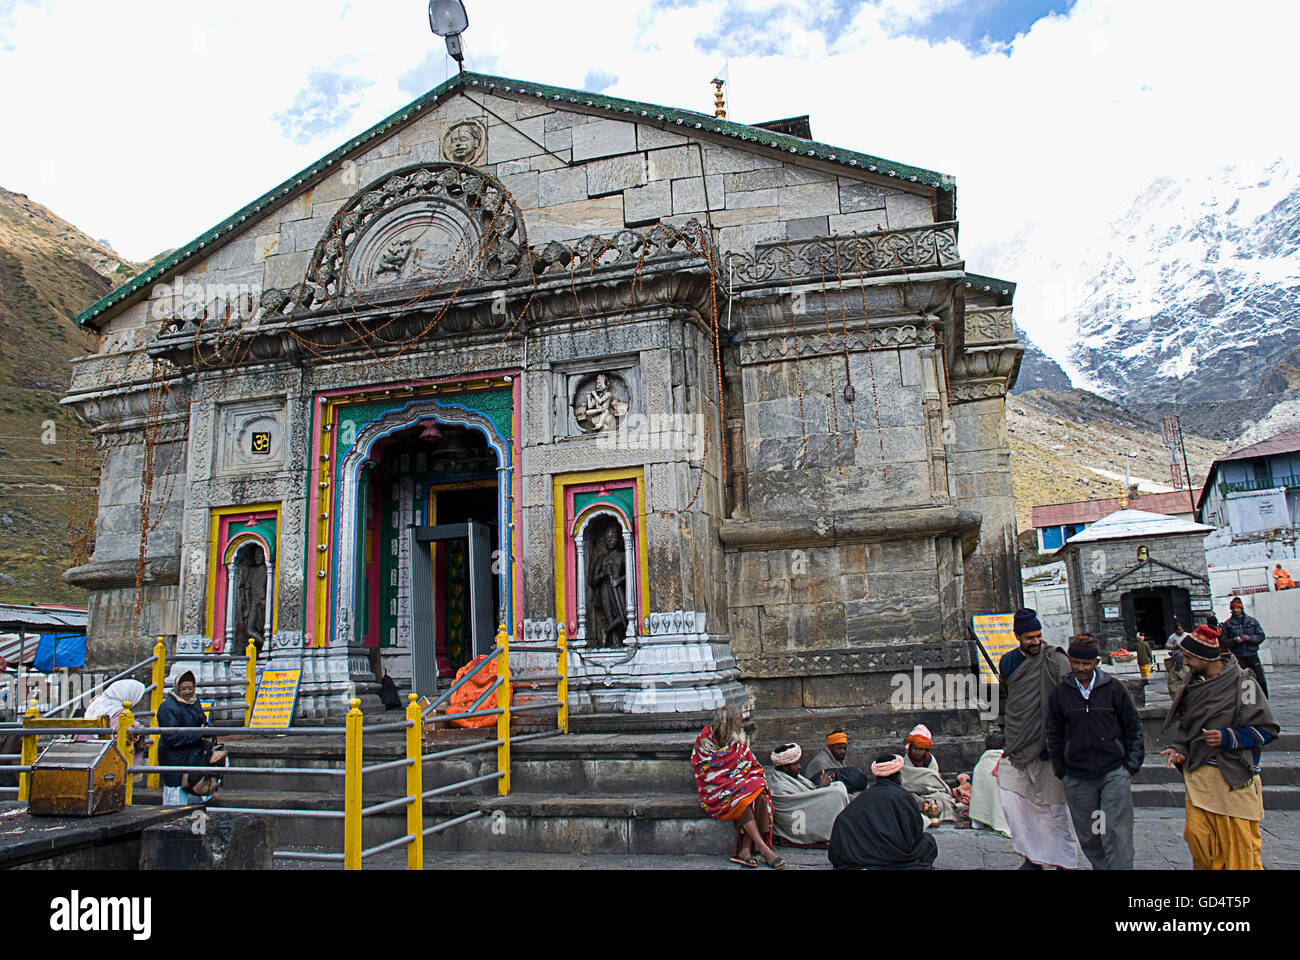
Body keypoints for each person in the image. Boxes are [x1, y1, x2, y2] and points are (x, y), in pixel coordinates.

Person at [1161, 625, 1280, 870]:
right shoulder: (1193, 686)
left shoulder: (1244, 685)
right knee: (1197, 838)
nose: (1185, 663)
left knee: (1239, 850)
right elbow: (1188, 727)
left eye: (1190, 658)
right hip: (1200, 776)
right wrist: (1179, 748)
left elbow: (1266, 730)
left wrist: (1228, 737)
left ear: (1205, 658)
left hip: (1233, 777)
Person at [1046, 635, 1143, 870]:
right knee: (1090, 834)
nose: (1081, 668)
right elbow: (1054, 733)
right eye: (1076, 662)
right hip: (1077, 775)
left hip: (1113, 771)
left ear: (1096, 662)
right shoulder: (1061, 693)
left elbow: (1133, 727)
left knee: (1116, 832)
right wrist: (1061, 769)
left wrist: (1130, 765)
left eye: (1086, 664)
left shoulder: (1114, 688)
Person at [997, 608, 1078, 870]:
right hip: (1018, 743)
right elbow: (1011, 697)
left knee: (1054, 808)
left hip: (1048, 745)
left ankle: (1063, 861)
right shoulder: (1007, 662)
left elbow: (1070, 699)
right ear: (1017, 636)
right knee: (1016, 803)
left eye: (1038, 636)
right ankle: (1032, 858)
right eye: (1029, 637)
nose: (1035, 642)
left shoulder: (1054, 659)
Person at [690, 705, 785, 869]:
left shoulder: (738, 738)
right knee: (741, 797)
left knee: (758, 793)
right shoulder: (706, 740)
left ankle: (745, 849)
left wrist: (740, 778)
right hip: (715, 787)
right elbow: (705, 768)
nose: (742, 725)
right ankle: (763, 848)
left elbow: (749, 763)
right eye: (740, 721)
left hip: (738, 781)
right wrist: (732, 780)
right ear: (730, 723)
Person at [828, 754, 938, 870]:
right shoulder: (903, 797)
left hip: (857, 858)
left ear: (876, 776)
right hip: (893, 857)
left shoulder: (861, 798)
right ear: (898, 776)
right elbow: (915, 833)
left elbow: (841, 826)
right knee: (928, 842)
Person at [767, 743, 849, 846]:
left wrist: (820, 788)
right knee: (836, 794)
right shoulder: (780, 786)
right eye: (796, 764)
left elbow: (807, 797)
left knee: (838, 785)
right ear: (785, 768)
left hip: (807, 811)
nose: (800, 767)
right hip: (797, 826)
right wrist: (821, 788)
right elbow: (804, 805)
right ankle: (838, 832)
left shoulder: (792, 777)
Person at [157, 670, 215, 807]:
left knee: (192, 787)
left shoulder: (194, 702)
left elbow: (201, 719)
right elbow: (172, 737)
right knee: (176, 794)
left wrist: (206, 727)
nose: (188, 692)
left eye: (191, 688)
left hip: (193, 754)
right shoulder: (168, 707)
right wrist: (198, 734)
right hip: (174, 756)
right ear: (177, 688)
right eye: (183, 689)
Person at [900, 723, 964, 823]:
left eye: (921, 749)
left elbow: (935, 782)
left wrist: (927, 790)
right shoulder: (904, 762)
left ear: (926, 750)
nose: (917, 752)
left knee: (942, 800)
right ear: (910, 748)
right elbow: (904, 782)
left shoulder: (931, 761)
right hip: (912, 792)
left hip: (931, 792)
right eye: (915, 749)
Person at [1219, 597, 1268, 697]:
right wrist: (1234, 641)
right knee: (1242, 681)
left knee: (1260, 680)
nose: (1235, 610)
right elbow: (1224, 641)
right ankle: (1246, 703)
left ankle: (1263, 700)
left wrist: (1249, 638)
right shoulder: (1228, 624)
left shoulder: (1252, 621)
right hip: (1238, 656)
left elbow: (1261, 636)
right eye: (1233, 608)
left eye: (1238, 608)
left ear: (1242, 608)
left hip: (1252, 654)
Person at [969, 730, 1010, 836]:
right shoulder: (1006, 762)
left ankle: (979, 820)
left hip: (981, 815)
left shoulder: (980, 765)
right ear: (1004, 745)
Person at [803, 729, 870, 792]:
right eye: (839, 748)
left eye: (844, 748)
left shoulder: (839, 760)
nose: (843, 751)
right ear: (830, 747)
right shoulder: (820, 762)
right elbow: (829, 790)